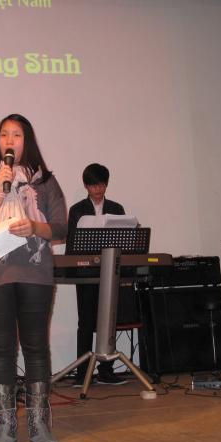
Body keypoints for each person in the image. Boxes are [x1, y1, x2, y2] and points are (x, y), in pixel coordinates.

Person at [0, 114, 67, 442]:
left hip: (36, 273)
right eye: (4, 134)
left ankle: (39, 424)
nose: (9, 140)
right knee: (2, 350)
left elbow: (61, 227)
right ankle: (5, 427)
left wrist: (35, 228)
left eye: (17, 135)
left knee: (36, 348)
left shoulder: (46, 182)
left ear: (28, 141)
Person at [68, 163, 128, 386]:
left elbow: (124, 242)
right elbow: (72, 245)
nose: (98, 189)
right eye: (94, 185)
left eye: (102, 185)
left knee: (108, 322)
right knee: (85, 322)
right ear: (86, 185)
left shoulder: (116, 208)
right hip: (86, 272)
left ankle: (106, 371)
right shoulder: (77, 210)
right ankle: (82, 373)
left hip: (110, 273)